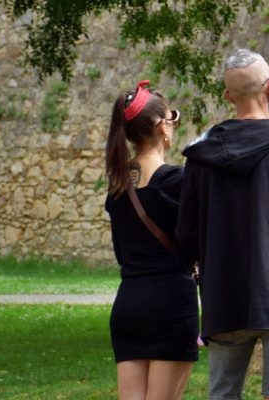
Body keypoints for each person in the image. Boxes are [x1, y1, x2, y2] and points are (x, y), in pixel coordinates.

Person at [176, 49, 269, 400]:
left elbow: (186, 236)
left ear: (228, 96)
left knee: (223, 394)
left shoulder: (202, 155)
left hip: (223, 294)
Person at [104, 80, 197, 400]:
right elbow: (197, 243)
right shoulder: (178, 181)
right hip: (170, 302)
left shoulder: (117, 189)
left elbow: (121, 252)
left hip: (129, 303)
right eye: (173, 117)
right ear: (162, 126)